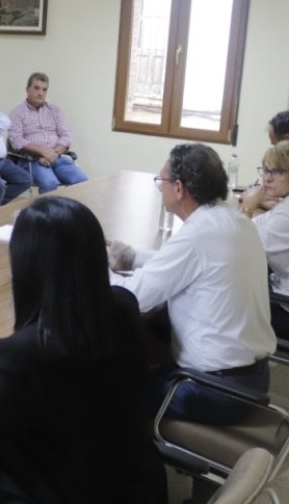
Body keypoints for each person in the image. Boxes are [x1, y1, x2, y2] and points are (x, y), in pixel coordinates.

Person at [0, 197, 167, 503]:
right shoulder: (122, 305)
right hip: (133, 487)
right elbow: (71, 377)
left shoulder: (26, 353)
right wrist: (1, 358)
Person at [108, 143, 276, 424]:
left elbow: (131, 297)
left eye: (160, 181)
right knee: (152, 337)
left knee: (109, 389)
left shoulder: (199, 234)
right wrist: (133, 257)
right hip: (251, 379)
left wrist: (91, 266)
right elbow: (185, 263)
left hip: (214, 391)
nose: (159, 188)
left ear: (178, 188)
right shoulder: (234, 220)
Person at [239, 141, 289, 343]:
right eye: (265, 170)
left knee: (222, 306)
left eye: (278, 172)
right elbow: (258, 227)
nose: (267, 178)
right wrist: (252, 213)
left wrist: (248, 208)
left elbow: (240, 245)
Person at [8, 72, 88, 192]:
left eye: (44, 90)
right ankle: (45, 211)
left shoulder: (55, 110)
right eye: (36, 88)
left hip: (57, 157)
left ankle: (68, 210)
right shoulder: (17, 112)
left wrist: (52, 154)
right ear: (27, 89)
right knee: (50, 183)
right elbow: (17, 141)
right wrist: (43, 152)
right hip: (31, 160)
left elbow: (66, 136)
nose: (40, 93)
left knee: (81, 180)